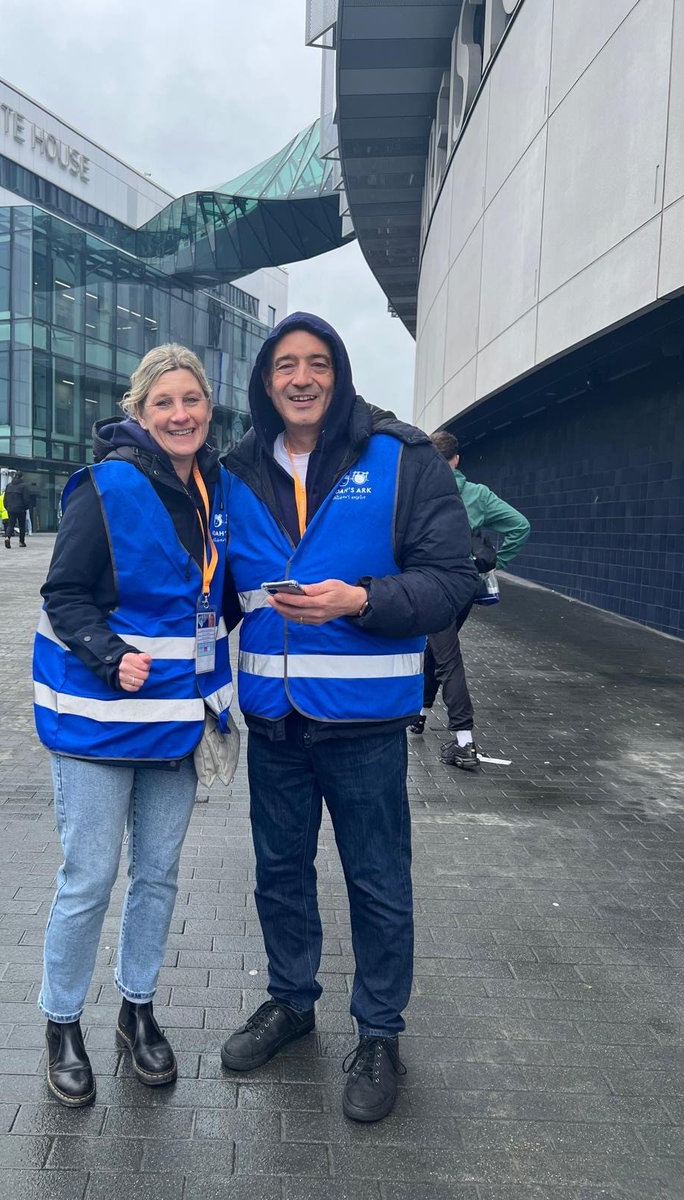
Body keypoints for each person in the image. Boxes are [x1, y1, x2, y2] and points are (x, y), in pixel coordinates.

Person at [220, 313, 477, 1123]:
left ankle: (378, 1033)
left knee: (377, 884)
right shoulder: (233, 471)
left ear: (340, 373)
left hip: (365, 727)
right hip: (275, 725)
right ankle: (292, 1004)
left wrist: (361, 599)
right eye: (285, 365)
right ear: (266, 381)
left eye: (317, 363)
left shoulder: (403, 459)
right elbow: (209, 587)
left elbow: (451, 582)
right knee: (280, 879)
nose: (302, 377)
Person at [32, 344, 233, 1107]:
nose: (180, 415)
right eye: (164, 403)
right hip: (99, 723)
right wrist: (109, 654)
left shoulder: (213, 489)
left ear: (207, 408)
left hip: (176, 723)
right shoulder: (106, 485)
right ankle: (62, 1023)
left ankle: (137, 1011)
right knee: (88, 878)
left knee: (157, 875)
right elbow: (65, 593)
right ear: (138, 411)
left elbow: (213, 598)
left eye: (192, 401)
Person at [410, 430, 531, 770]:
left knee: (446, 654)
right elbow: (520, 526)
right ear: (457, 459)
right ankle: (419, 715)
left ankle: (464, 740)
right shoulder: (477, 495)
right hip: (463, 586)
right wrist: (491, 566)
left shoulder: (419, 489)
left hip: (431, 584)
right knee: (437, 648)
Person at [3, 471, 32, 547]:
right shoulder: (24, 486)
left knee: (11, 524)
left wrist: (7, 506)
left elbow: (5, 498)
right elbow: (26, 499)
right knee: (22, 525)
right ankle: (21, 542)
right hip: (21, 509)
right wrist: (26, 507)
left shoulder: (8, 486)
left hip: (10, 509)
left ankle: (7, 537)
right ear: (22, 477)